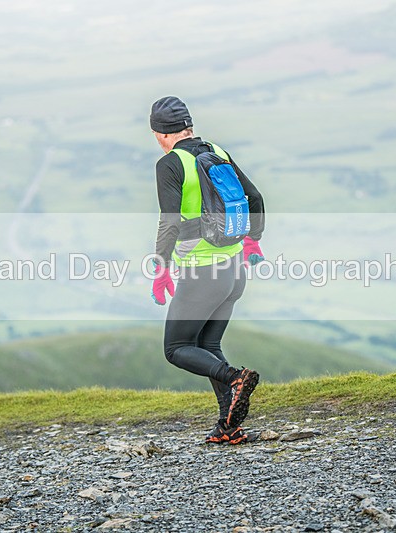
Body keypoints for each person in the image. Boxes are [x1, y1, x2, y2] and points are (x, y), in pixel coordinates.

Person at [149, 95, 266, 445]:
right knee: (207, 344)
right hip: (234, 272)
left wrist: (161, 266)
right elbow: (255, 198)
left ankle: (235, 378)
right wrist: (253, 240)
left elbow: (170, 222)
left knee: (176, 348)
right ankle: (229, 426)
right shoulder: (216, 151)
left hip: (204, 273)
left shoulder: (171, 164)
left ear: (160, 133)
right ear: (189, 126)